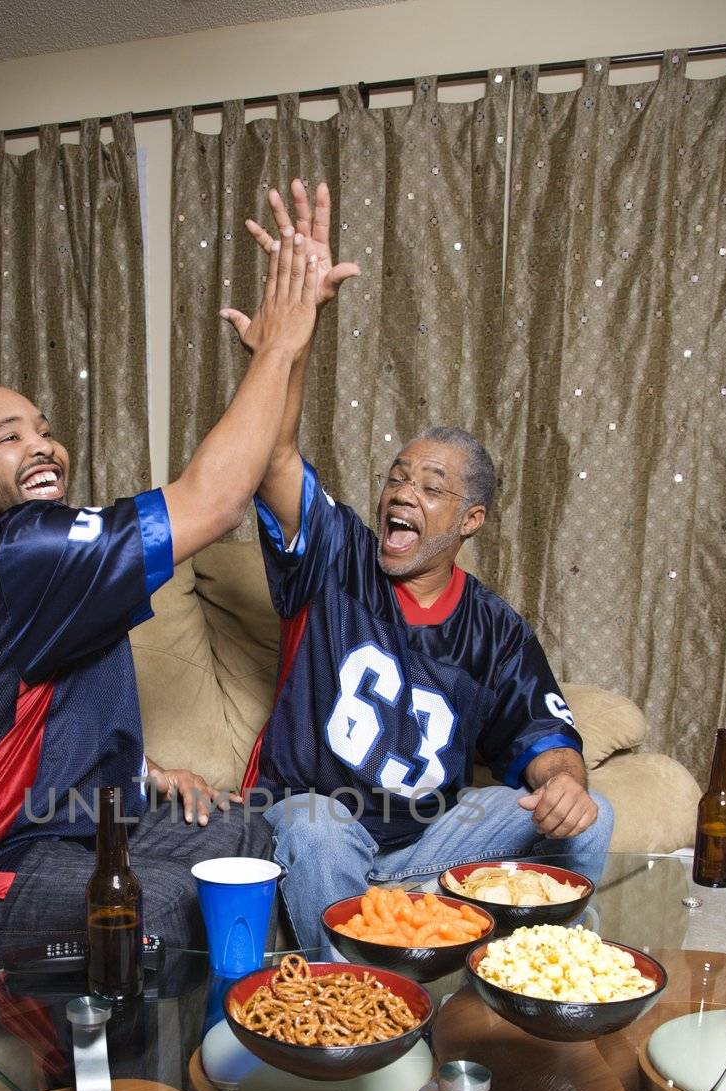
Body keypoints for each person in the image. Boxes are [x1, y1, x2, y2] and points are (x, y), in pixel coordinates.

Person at [0, 228, 320, 998]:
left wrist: (139, 769)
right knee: (160, 904)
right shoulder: (15, 552)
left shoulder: (36, 566)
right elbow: (213, 500)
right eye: (8, 438)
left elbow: (28, 699)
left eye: (44, 430)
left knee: (244, 834)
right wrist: (277, 350)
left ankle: (232, 1036)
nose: (42, 446)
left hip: (54, 827)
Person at [221, 181, 613, 952]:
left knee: (585, 822)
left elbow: (542, 734)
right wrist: (293, 340)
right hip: (315, 833)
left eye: (431, 488)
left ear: (469, 521)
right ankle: (365, 1000)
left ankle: (495, 966)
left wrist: (564, 781)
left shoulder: (493, 627)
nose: (402, 493)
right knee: (312, 823)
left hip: (425, 854)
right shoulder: (336, 559)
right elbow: (273, 456)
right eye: (398, 477)